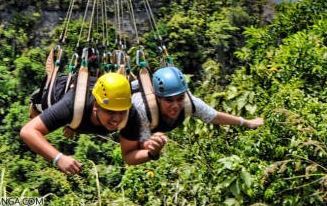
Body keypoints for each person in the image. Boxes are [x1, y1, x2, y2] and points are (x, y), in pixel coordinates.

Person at [20, 72, 167, 175]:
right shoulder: (72, 105)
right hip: (60, 93)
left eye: (121, 111)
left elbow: (129, 155)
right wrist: (59, 158)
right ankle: (63, 121)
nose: (116, 118)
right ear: (96, 106)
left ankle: (71, 126)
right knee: (37, 110)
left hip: (79, 116)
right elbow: (28, 131)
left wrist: (152, 152)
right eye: (110, 112)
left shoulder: (132, 114)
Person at [119, 66, 264, 161]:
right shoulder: (141, 110)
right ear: (158, 98)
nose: (175, 106)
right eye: (169, 100)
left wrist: (247, 122)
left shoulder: (189, 103)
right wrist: (153, 151)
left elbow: (214, 116)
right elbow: (130, 154)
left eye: (179, 99)